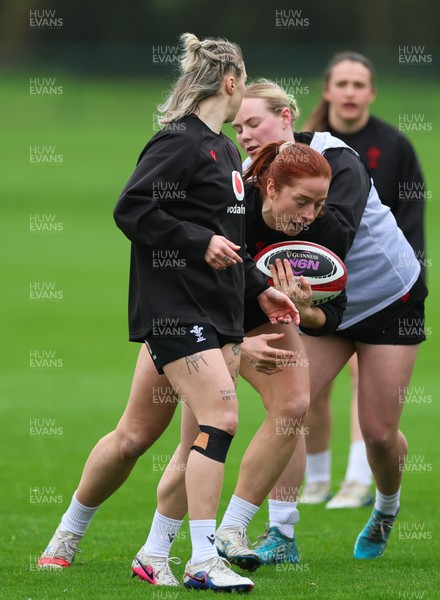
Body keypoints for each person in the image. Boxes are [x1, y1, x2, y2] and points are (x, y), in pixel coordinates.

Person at [37, 34, 300, 593]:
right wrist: (194, 240)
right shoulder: (178, 143)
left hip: (215, 313)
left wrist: (259, 289)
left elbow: (227, 243)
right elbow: (131, 207)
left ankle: (110, 544)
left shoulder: (225, 152)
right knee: (222, 418)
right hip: (175, 314)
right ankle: (204, 560)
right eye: (243, 84)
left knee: (138, 437)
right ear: (231, 81)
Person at [134, 140, 346, 584]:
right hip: (202, 319)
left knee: (292, 405)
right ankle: (148, 549)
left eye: (320, 204)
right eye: (302, 202)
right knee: (171, 438)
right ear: (270, 188)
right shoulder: (235, 210)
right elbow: (191, 278)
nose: (310, 215)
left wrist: (304, 307)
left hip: (264, 317)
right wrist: (233, 347)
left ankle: (231, 528)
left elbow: (330, 316)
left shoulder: (324, 232)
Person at [300, 51, 426, 509]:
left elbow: (411, 216)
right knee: (302, 394)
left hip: (380, 289)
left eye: (360, 85)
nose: (351, 92)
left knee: (370, 403)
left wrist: (407, 281)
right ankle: (315, 480)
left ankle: (357, 480)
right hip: (322, 284)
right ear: (328, 91)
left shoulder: (393, 145)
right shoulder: (305, 148)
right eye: (343, 84)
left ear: (371, 93)